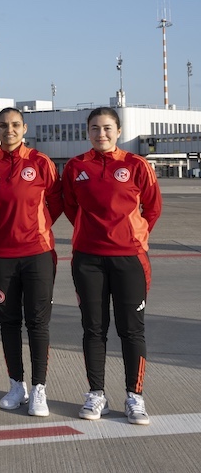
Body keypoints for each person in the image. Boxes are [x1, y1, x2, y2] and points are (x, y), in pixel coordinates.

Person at [62, 107, 161, 425]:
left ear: (118, 131)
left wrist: (133, 236)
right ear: (87, 132)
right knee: (94, 329)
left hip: (129, 259)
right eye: (94, 128)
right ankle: (96, 394)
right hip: (88, 259)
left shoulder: (136, 165)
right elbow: (69, 205)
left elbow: (153, 207)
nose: (100, 134)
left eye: (107, 128)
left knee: (132, 330)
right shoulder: (76, 166)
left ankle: (135, 396)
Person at [0, 108, 62, 416]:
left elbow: (56, 200)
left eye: (14, 125)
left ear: (24, 128)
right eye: (2, 125)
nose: (8, 129)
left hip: (37, 254)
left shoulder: (41, 162)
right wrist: (2, 225)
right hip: (0, 256)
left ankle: (39, 389)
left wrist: (35, 228)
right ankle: (15, 384)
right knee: (8, 323)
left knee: (38, 324)